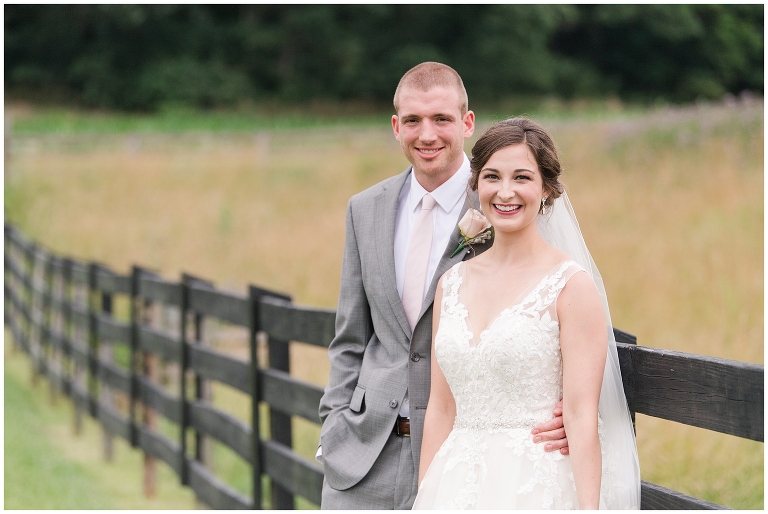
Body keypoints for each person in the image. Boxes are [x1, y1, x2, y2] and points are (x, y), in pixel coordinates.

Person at [318, 62, 571, 510]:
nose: (427, 135)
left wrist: (568, 407)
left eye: (442, 119)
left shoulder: (505, 201)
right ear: (396, 127)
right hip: (362, 456)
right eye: (413, 120)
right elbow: (350, 336)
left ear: (467, 122)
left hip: (463, 456)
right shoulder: (364, 210)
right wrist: (333, 425)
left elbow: (554, 301)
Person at [412, 118, 641, 509]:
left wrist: (590, 509)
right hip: (453, 487)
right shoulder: (450, 284)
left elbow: (581, 415)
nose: (505, 192)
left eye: (521, 177)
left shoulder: (570, 286)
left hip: (535, 483)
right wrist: (424, 495)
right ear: (476, 184)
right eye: (492, 177)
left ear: (546, 188)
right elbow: (442, 408)